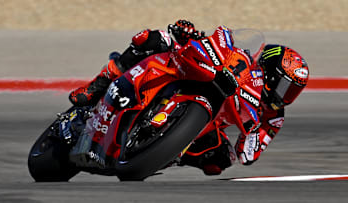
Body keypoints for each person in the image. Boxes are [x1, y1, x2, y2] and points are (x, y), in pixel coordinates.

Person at [68, 20, 309, 175]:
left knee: (220, 161)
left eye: (293, 91)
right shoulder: (242, 58)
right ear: (268, 69)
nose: (284, 95)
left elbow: (247, 155)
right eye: (285, 86)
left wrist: (248, 138)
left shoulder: (273, 116)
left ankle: (166, 153)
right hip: (185, 73)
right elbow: (215, 43)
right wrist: (188, 34)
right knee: (155, 38)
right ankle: (97, 86)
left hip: (210, 121)